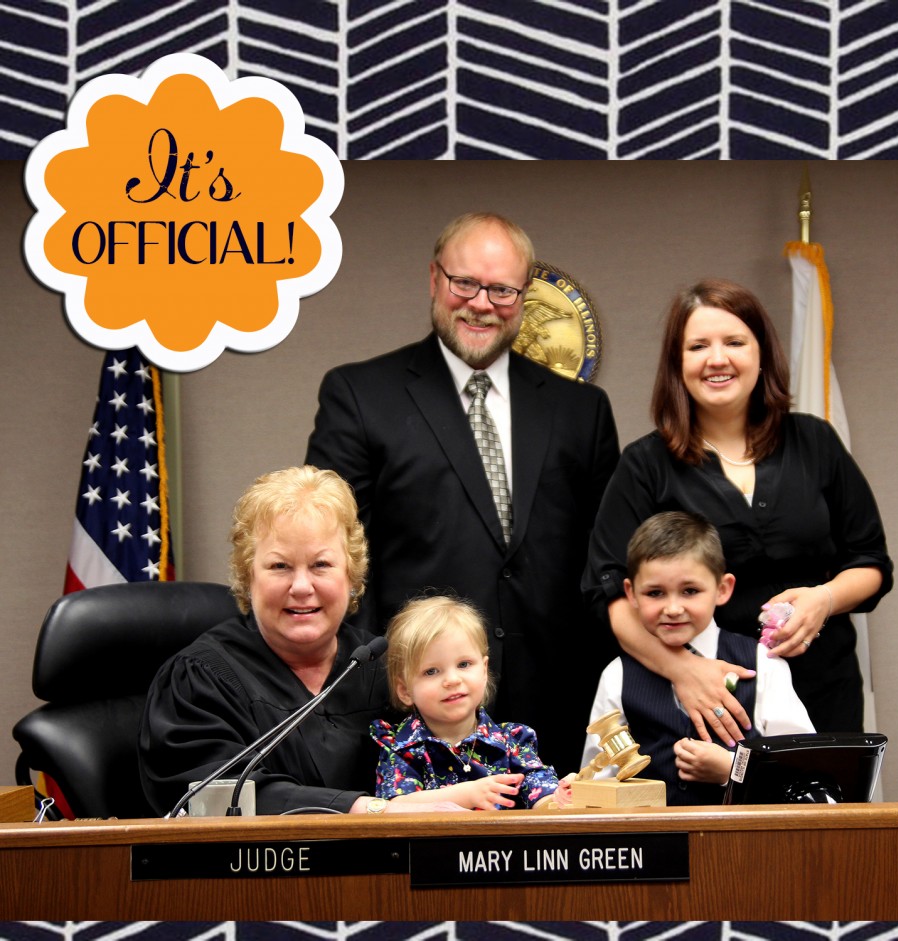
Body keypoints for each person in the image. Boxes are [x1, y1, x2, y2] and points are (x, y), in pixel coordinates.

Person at [305, 211, 620, 774]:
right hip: (415, 717)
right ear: (434, 279)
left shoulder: (582, 411)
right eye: (465, 283)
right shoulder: (360, 394)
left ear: (524, 296)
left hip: (559, 705)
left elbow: (604, 562)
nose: (481, 303)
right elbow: (335, 558)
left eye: (502, 289)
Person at [583, 278, 893, 742]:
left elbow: (871, 562)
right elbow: (607, 590)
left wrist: (823, 599)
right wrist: (685, 671)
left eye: (734, 342)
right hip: (709, 699)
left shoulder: (816, 442)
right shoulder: (646, 464)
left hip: (823, 686)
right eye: (698, 346)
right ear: (677, 363)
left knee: (828, 812)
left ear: (761, 353)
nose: (717, 359)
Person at [140, 466, 452, 815]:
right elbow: (212, 798)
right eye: (279, 567)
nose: (302, 587)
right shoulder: (200, 680)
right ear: (248, 577)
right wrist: (367, 810)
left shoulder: (391, 670)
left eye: (321, 564)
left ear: (350, 574)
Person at [583, 511, 814, 805]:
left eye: (690, 591)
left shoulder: (763, 664)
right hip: (654, 843)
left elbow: (802, 771)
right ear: (631, 593)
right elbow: (596, 785)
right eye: (655, 593)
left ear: (722, 589)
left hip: (744, 842)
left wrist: (732, 770)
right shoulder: (617, 675)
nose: (673, 608)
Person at [371, 595, 572, 810]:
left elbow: (539, 790)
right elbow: (394, 806)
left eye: (464, 664)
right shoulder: (401, 748)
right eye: (431, 671)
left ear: (484, 670)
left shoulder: (512, 742)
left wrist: (560, 798)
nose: (452, 680)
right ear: (405, 690)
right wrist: (465, 795)